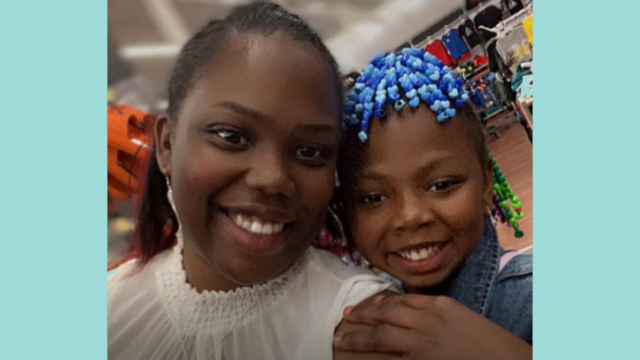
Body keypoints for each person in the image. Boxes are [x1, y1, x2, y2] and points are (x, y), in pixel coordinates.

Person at [107, 3, 396, 359]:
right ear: (167, 145)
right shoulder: (110, 306)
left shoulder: (366, 331)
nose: (272, 178)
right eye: (230, 136)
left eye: (309, 151)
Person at [331, 48, 532, 359]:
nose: (410, 217)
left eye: (441, 185)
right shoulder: (363, 314)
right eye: (373, 198)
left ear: (486, 182)